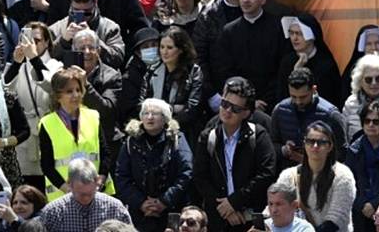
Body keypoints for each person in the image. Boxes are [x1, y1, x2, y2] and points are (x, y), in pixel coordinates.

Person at [192, 76, 277, 232]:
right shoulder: (208, 136)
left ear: (246, 113)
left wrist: (234, 202)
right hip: (218, 218)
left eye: (235, 109)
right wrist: (224, 208)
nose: (228, 111)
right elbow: (200, 176)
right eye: (225, 104)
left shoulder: (258, 135)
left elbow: (267, 173)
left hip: (249, 217)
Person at [114, 98, 193, 232]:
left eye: (155, 114)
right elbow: (121, 176)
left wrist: (164, 201)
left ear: (165, 118)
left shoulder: (176, 139)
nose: (149, 117)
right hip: (139, 213)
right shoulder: (130, 142)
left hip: (171, 210)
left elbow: (186, 172)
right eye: (146, 113)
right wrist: (141, 203)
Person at [2, 22, 62, 192]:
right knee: (27, 186)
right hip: (25, 134)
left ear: (47, 43)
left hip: (48, 129)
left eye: (37, 40)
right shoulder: (17, 66)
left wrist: (34, 59)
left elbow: (51, 85)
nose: (32, 44)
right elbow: (5, 89)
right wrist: (16, 63)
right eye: (28, 40)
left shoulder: (56, 65)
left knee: (49, 182)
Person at [38, 67, 113, 202]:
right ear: (58, 96)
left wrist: (100, 182)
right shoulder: (47, 123)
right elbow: (47, 165)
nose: (76, 95)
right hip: (63, 198)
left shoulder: (93, 116)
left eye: (78, 90)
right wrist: (68, 190)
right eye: (69, 91)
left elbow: (105, 153)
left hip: (97, 193)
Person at [212, 0, 286, 110]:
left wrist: (265, 100)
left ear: (263, 0)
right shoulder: (229, 31)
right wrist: (248, 101)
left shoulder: (277, 27)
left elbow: (282, 68)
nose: (245, 0)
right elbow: (224, 71)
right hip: (239, 105)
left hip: (271, 103)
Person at [275, 121, 355, 232]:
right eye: (310, 141)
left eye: (321, 142)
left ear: (330, 146)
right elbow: (275, 206)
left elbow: (337, 217)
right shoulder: (288, 176)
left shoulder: (343, 175)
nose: (315, 146)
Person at [271, 67, 347, 169]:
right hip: (288, 172)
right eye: (293, 96)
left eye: (303, 97)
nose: (298, 102)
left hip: (322, 173)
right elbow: (272, 145)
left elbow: (342, 153)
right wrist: (285, 150)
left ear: (313, 90)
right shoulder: (280, 110)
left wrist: (313, 158)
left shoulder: (330, 115)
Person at [344, 102, 379, 232]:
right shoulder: (354, 149)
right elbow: (348, 183)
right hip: (359, 210)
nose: (370, 125)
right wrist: (363, 204)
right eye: (367, 121)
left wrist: (375, 204)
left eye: (376, 122)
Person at [138, 28, 204, 141]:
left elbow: (193, 108)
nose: (164, 52)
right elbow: (142, 103)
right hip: (153, 130)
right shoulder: (152, 70)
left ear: (181, 50)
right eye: (162, 47)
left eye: (169, 48)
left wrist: (168, 118)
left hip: (183, 132)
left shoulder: (194, 72)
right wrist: (173, 108)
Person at [47, 0, 125, 69]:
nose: (83, 17)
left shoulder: (110, 28)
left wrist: (94, 40)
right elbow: (45, 60)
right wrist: (63, 42)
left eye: (87, 12)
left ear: (95, 2)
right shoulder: (56, 29)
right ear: (71, 1)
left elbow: (117, 59)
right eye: (76, 11)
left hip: (100, 76)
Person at [38, 159, 131, 231]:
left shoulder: (115, 209)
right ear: (69, 183)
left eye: (90, 194)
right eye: (81, 194)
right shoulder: (52, 214)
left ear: (97, 181)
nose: (86, 199)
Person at [277, 16, 342, 108]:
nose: (294, 38)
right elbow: (282, 96)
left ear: (311, 36)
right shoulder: (287, 62)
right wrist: (296, 71)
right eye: (291, 33)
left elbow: (329, 98)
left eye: (299, 34)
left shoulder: (326, 64)